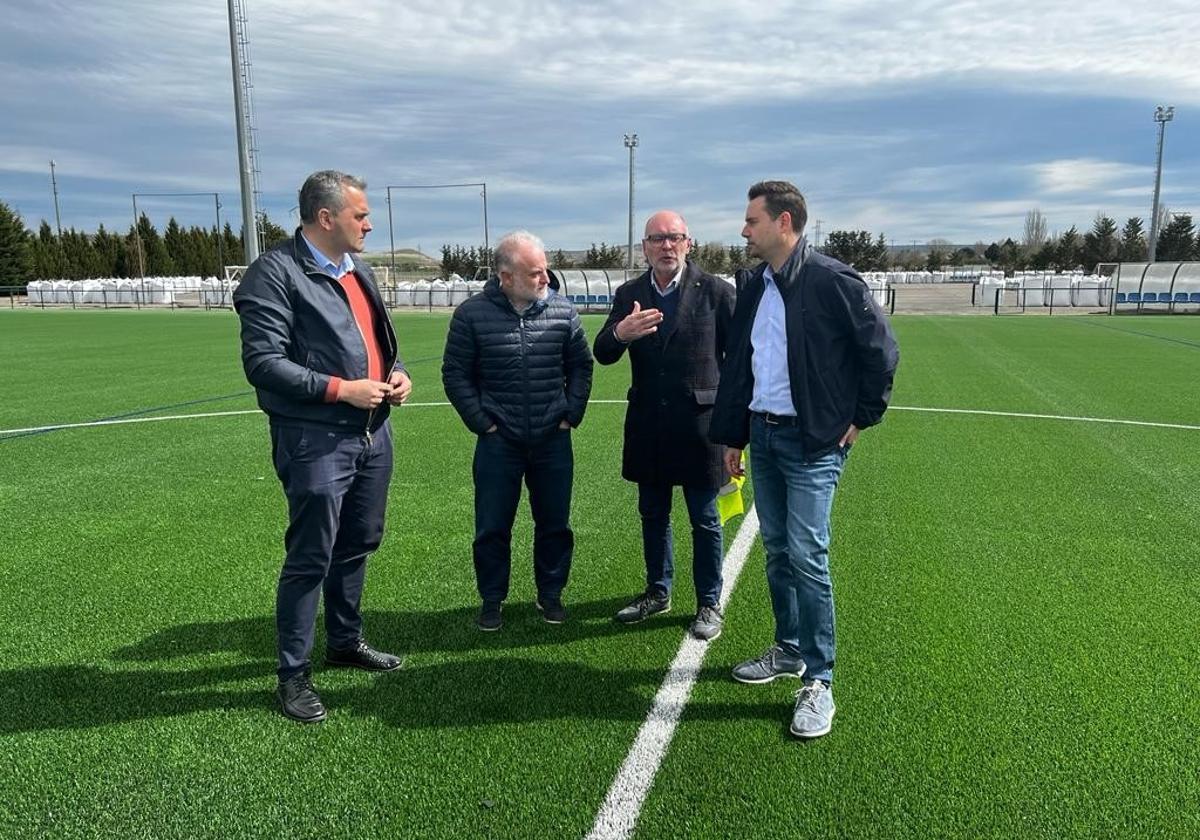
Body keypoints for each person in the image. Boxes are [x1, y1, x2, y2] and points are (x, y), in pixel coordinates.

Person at [710, 180, 899, 738]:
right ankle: (788, 649)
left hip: (814, 443)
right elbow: (743, 366)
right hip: (763, 437)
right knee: (775, 548)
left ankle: (820, 679)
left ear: (784, 222)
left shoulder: (832, 280)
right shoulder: (753, 285)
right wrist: (733, 436)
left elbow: (881, 353)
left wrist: (861, 417)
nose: (744, 230)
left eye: (752, 221)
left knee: (807, 553)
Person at [233, 170, 412, 723]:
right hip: (315, 438)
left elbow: (378, 344)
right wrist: (341, 390)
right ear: (326, 217)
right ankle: (292, 676)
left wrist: (396, 372)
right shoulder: (275, 273)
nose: (370, 223)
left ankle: (345, 640)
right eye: (361, 215)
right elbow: (263, 364)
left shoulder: (359, 271)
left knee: (359, 541)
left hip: (371, 431)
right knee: (310, 554)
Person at [593, 210, 735, 640]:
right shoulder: (629, 293)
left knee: (705, 519)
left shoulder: (715, 292)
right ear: (644, 248)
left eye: (674, 238)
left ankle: (709, 602)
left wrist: (735, 430)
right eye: (657, 239)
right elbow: (602, 352)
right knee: (653, 514)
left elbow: (740, 363)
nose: (666, 246)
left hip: (702, 428)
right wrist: (621, 332)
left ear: (689, 243)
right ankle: (659, 590)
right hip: (649, 425)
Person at [442, 231, 593, 631]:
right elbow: (455, 375)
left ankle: (551, 595)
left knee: (555, 524)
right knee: (492, 526)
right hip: (498, 442)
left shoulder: (563, 311)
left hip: (552, 439)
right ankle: (492, 600)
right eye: (535, 273)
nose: (545, 279)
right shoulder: (471, 315)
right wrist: (483, 423)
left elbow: (582, 365)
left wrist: (570, 413)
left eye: (545, 270)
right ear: (506, 277)